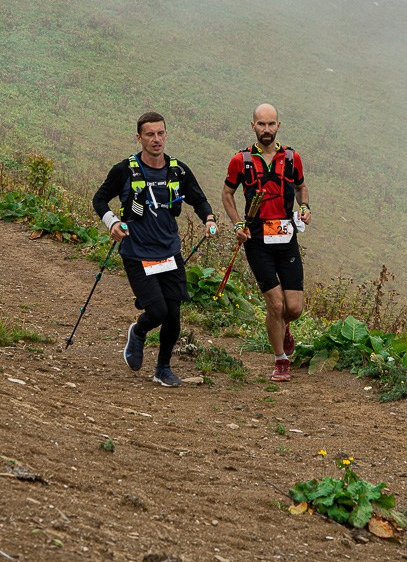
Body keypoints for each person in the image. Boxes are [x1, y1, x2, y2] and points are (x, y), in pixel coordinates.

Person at [92, 111, 217, 387]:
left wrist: (209, 219)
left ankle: (163, 369)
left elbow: (200, 200)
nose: (156, 139)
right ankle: (138, 331)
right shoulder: (124, 170)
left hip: (170, 252)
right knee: (158, 312)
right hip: (137, 253)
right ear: (139, 138)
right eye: (150, 134)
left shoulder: (178, 170)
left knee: (174, 315)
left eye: (160, 133)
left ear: (166, 135)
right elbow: (99, 199)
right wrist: (112, 222)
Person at [222, 103, 311, 382]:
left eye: (271, 124)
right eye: (261, 124)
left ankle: (283, 328)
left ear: (279, 126)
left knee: (293, 308)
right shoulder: (241, 160)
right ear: (253, 127)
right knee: (275, 305)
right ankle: (280, 360)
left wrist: (305, 207)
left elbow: (300, 186)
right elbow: (227, 193)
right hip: (257, 240)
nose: (266, 130)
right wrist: (238, 223)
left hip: (286, 238)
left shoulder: (292, 157)